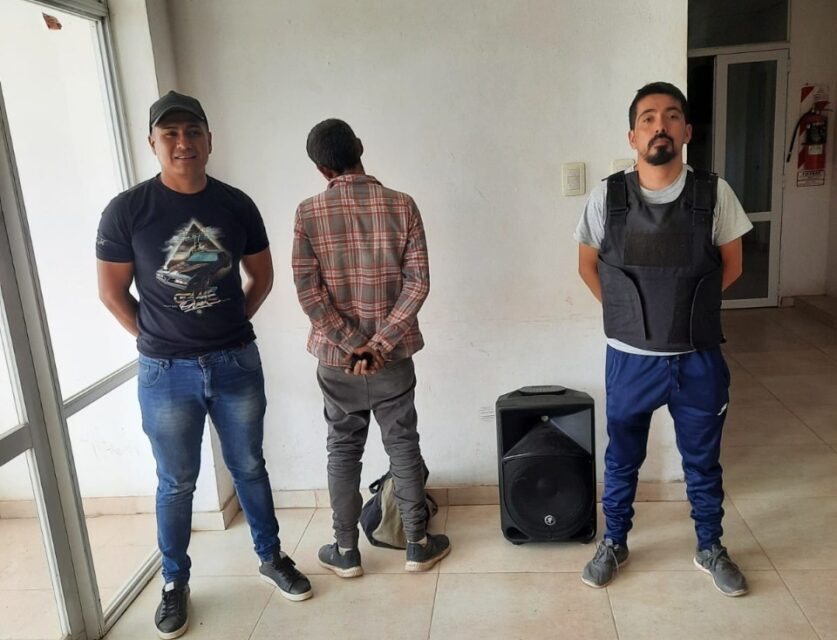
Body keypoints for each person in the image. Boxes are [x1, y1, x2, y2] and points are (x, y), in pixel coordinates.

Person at [96, 91, 311, 639]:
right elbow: (112, 292)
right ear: (152, 142)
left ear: (209, 140)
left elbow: (261, 277)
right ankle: (174, 582)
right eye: (169, 134)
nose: (182, 142)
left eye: (192, 131)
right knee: (176, 483)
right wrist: (155, 338)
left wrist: (231, 324)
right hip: (165, 373)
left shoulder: (236, 205)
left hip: (236, 361)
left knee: (250, 467)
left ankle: (271, 557)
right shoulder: (127, 210)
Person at [575, 82, 753, 596]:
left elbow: (733, 266)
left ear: (687, 131)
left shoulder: (714, 193)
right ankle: (615, 542)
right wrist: (630, 314)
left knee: (702, 461)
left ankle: (710, 546)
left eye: (672, 116)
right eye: (648, 118)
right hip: (630, 359)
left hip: (698, 357)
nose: (661, 126)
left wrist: (683, 313)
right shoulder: (607, 196)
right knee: (621, 459)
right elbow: (588, 266)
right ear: (633, 136)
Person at [292, 118, 450, 578]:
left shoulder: (308, 213)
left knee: (342, 449)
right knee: (402, 443)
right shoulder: (402, 205)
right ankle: (417, 544)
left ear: (322, 169)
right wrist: (379, 345)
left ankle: (345, 551)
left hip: (337, 361)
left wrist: (353, 345)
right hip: (393, 358)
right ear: (360, 147)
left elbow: (308, 292)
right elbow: (418, 284)